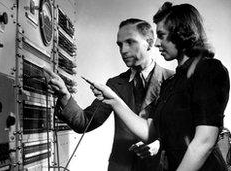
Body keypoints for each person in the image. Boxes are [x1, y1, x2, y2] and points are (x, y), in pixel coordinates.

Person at [90, 2, 230, 171]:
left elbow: (204, 142)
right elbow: (151, 131)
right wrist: (114, 100)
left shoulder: (208, 69)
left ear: (181, 34)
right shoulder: (171, 82)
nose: (156, 43)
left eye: (161, 35)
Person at [44, 18, 174, 171]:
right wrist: (65, 95)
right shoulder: (115, 84)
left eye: (130, 42)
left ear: (150, 42)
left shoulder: (172, 80)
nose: (123, 50)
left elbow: (183, 133)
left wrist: (158, 143)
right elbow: (85, 122)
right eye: (120, 45)